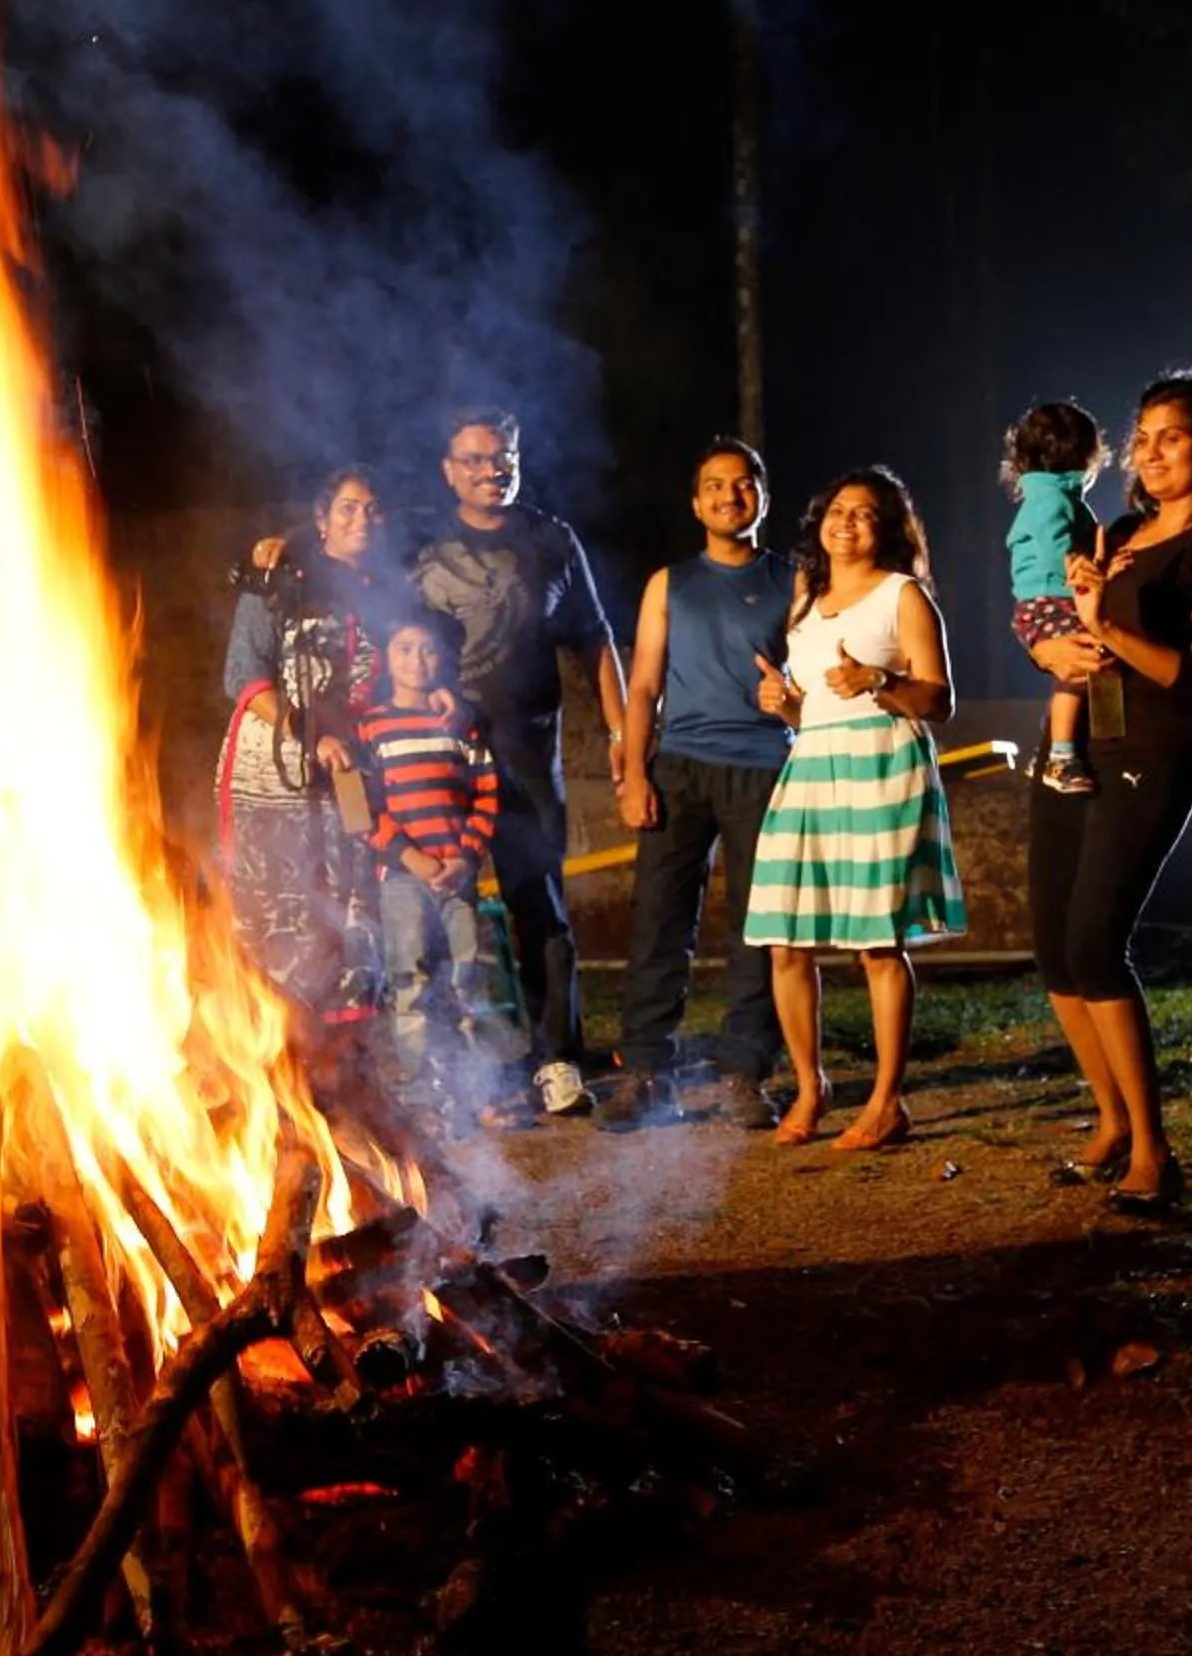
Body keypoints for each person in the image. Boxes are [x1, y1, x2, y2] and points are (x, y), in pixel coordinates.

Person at [1025, 375, 1192, 1206]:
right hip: (1076, 745)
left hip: (1151, 751)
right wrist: (1055, 650)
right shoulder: (1121, 530)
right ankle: (1110, 1120)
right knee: (1054, 947)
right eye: (1144, 434)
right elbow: (1070, 631)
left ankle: (1155, 1153)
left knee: (1096, 941)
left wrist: (1106, 626)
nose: (1152, 450)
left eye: (1172, 435)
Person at [408, 408, 630, 1116]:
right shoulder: (419, 545)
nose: (489, 471)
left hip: (529, 755)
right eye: (473, 460)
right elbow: (342, 550)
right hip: (440, 758)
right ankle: (460, 1075)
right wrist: (281, 542)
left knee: (543, 910)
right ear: (449, 470)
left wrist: (622, 737)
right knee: (443, 910)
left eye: (500, 457)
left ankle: (557, 1060)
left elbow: (596, 642)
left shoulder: (549, 539)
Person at [743, 467, 965, 1152]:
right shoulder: (806, 598)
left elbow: (940, 701)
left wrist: (883, 680)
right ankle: (811, 1088)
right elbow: (818, 701)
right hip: (811, 762)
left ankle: (887, 1098)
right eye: (838, 510)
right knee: (784, 939)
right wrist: (786, 704)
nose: (848, 523)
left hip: (881, 765)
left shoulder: (905, 596)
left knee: (876, 942)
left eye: (866, 514)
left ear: (889, 529)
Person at [604, 438, 792, 1130]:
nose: (728, 496)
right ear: (695, 501)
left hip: (764, 767)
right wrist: (631, 773)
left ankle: (745, 1073)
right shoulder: (669, 583)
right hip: (678, 765)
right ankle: (647, 1073)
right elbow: (645, 681)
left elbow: (804, 679)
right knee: (657, 921)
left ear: (762, 497)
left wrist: (793, 706)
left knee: (758, 926)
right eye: (715, 486)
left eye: (743, 485)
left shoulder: (793, 581)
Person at [217, 469, 400, 1022]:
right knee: (279, 908)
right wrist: (305, 735)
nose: (360, 521)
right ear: (320, 520)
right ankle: (272, 1051)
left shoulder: (391, 593)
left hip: (351, 768)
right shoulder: (278, 581)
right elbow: (242, 673)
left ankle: (342, 1067)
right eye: (346, 508)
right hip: (273, 770)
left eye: (372, 509)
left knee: (348, 908)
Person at [357, 611, 505, 1120]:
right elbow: (364, 810)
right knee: (410, 979)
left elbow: (486, 793)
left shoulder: (460, 724)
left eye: (427, 649)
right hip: (403, 878)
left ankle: (478, 1089)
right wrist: (410, 857)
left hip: (457, 874)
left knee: (468, 976)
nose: (416, 660)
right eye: (404, 648)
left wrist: (464, 856)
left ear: (442, 658)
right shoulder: (372, 728)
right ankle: (422, 1090)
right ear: (386, 658)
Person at [1002, 401, 1106, 795]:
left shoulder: (1053, 497)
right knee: (1077, 668)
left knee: (1078, 672)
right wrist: (1090, 578)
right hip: (1050, 600)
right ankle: (1059, 757)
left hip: (1049, 599)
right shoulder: (1053, 500)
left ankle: (1056, 752)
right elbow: (1055, 551)